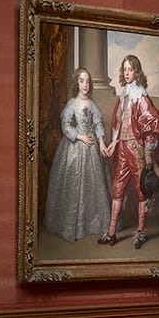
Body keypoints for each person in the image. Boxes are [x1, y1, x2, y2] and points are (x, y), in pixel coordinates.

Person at [100, 54, 159, 249]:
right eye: (124, 69)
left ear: (136, 72)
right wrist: (114, 144)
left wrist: (148, 151)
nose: (127, 73)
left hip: (136, 149)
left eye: (130, 69)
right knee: (117, 187)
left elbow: (152, 122)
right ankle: (111, 233)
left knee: (142, 190)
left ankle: (140, 232)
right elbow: (118, 123)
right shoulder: (124, 96)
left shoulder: (141, 95)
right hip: (123, 148)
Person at [44, 67, 112, 242]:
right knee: (74, 184)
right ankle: (73, 225)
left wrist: (101, 142)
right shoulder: (72, 104)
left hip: (92, 149)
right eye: (82, 81)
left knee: (95, 185)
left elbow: (98, 124)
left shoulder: (92, 104)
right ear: (77, 83)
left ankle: (92, 223)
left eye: (88, 81)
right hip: (74, 148)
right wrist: (80, 137)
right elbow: (66, 126)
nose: (85, 85)